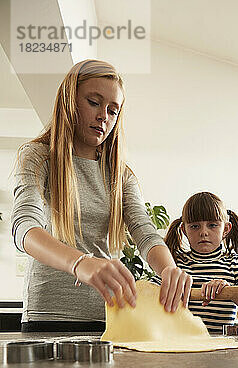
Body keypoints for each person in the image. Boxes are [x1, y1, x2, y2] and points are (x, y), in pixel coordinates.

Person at [11, 59, 191, 332]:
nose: (103, 117)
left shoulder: (121, 175)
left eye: (113, 110)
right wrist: (80, 262)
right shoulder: (38, 157)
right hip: (49, 313)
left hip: (108, 314)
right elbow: (25, 227)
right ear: (69, 101)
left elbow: (144, 230)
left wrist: (169, 269)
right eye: (94, 102)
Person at [153, 191, 238, 333]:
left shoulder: (234, 264)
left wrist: (229, 291)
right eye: (195, 226)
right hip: (180, 346)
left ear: (226, 229)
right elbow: (147, 296)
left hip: (222, 349)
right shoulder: (174, 265)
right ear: (184, 230)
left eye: (212, 225)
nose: (203, 232)